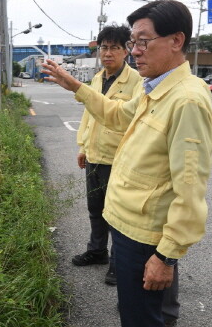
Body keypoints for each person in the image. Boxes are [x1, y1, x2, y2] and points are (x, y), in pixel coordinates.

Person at [43, 0, 212, 327]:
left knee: (141, 318)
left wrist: (166, 256)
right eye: (133, 42)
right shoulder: (154, 90)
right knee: (151, 312)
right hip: (125, 225)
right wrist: (76, 86)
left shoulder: (186, 101)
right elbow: (118, 115)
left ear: (176, 41)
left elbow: (190, 190)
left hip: (145, 236)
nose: (135, 50)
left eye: (143, 41)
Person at [72, 24, 142, 289]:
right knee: (95, 209)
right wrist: (83, 147)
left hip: (118, 158)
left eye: (114, 47)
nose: (108, 53)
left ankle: (117, 263)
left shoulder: (136, 80)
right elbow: (89, 114)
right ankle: (97, 250)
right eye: (104, 47)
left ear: (127, 50)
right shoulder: (98, 78)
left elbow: (131, 119)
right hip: (94, 155)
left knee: (117, 215)